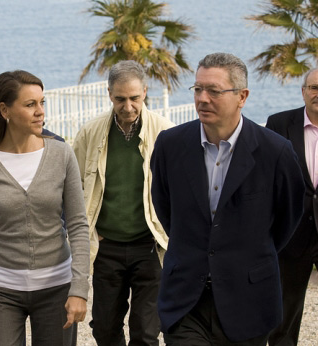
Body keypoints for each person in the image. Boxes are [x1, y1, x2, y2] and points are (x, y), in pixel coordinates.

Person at [150, 52, 305, 344]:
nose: (202, 98)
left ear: (242, 96)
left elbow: (287, 218)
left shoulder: (276, 152)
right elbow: (165, 205)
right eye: (197, 89)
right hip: (185, 299)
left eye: (214, 91)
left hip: (249, 301)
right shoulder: (170, 145)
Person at [0, 70, 90, 346]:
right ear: (5, 110)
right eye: (30, 104)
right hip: (0, 290)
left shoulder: (62, 155)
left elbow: (78, 226)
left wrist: (79, 289)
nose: (40, 112)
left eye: (42, 103)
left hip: (56, 287)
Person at [73, 60, 173, 345]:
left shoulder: (166, 133)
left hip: (150, 247)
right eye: (120, 99)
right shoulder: (90, 134)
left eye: (134, 98)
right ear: (109, 94)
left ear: (145, 92)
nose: (127, 106)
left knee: (146, 332)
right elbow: (74, 187)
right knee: (104, 329)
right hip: (107, 246)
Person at [265, 67, 318, 345]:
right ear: (303, 91)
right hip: (291, 234)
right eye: (314, 88)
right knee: (284, 316)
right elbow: (265, 177)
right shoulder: (279, 123)